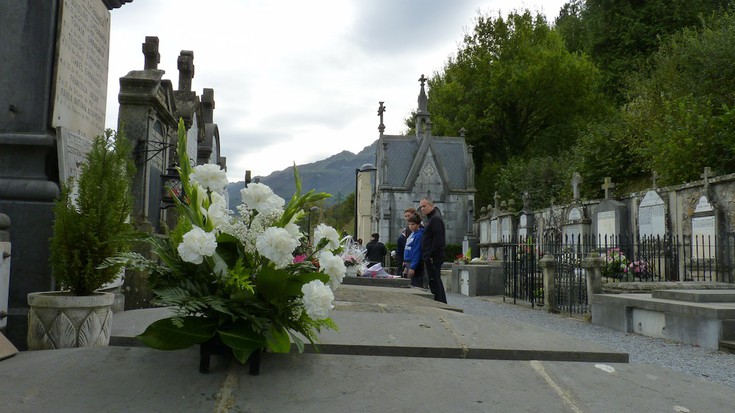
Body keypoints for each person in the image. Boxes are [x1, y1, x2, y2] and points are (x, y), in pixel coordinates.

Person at [419, 198, 448, 303]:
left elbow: (438, 239)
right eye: (421, 206)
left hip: (433, 257)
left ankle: (440, 301)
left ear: (431, 206)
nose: (422, 209)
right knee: (433, 280)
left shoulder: (435, 219)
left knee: (435, 280)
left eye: (424, 206)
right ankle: (439, 300)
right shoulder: (431, 218)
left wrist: (431, 255)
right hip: (431, 256)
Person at [403, 213, 425, 287]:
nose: (411, 226)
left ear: (418, 224)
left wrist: (413, 267)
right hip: (408, 262)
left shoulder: (419, 235)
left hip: (414, 264)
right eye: (409, 224)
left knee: (415, 284)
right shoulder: (412, 234)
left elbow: (417, 251)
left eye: (413, 224)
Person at [395, 207, 417, 277]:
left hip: (408, 261)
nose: (407, 218)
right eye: (405, 216)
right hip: (401, 258)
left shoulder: (416, 230)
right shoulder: (405, 229)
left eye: (409, 216)